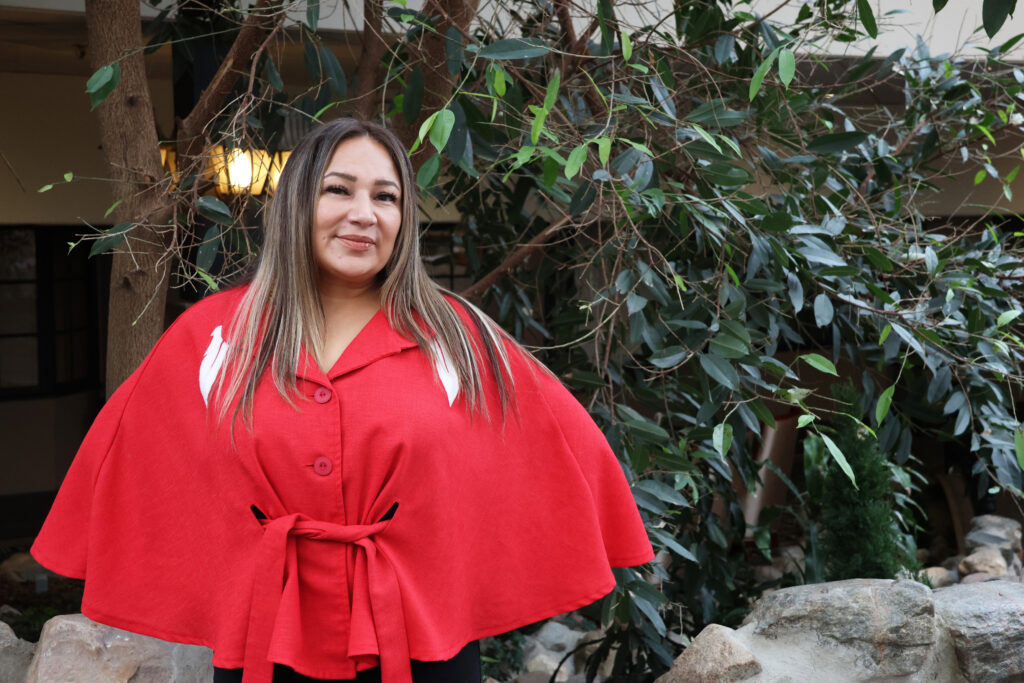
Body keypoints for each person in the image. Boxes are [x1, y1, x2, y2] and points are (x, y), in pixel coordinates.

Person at [31, 119, 654, 683]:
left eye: (386, 197)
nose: (364, 214)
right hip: (264, 644)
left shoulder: (459, 340)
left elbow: (554, 456)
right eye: (339, 190)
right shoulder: (216, 336)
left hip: (420, 646)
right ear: (297, 203)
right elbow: (140, 463)